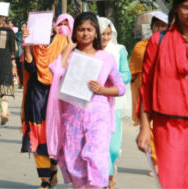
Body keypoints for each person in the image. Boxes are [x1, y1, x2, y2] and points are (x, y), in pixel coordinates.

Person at [47, 12, 125, 188]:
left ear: (96, 32)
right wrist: (67, 49)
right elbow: (56, 72)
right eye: (81, 30)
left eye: (89, 29)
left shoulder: (106, 58)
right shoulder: (70, 56)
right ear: (75, 33)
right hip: (72, 117)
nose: (85, 34)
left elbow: (120, 88)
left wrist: (102, 89)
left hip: (98, 116)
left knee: (97, 158)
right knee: (75, 163)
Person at [136, 0, 188, 189]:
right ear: (176, 7)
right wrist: (144, 127)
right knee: (174, 183)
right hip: (168, 128)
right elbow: (146, 87)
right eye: (186, 7)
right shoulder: (158, 41)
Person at [20, 22, 67, 189]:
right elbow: (31, 68)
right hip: (36, 96)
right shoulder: (33, 44)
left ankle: (53, 169)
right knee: (38, 136)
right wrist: (27, 45)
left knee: (54, 136)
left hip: (57, 96)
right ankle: (45, 180)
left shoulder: (62, 42)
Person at [129, 13, 168, 176]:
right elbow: (138, 71)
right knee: (150, 129)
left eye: (163, 25)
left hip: (166, 93)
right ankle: (156, 162)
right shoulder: (141, 47)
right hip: (146, 92)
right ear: (152, 28)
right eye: (157, 25)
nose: (160, 28)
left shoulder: (174, 45)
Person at [98, 16, 131, 189]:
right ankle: (105, 178)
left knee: (113, 148)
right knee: (99, 146)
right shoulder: (89, 51)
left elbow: (127, 74)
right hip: (95, 105)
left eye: (108, 34)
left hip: (114, 104)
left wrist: (112, 79)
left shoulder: (118, 50)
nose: (105, 37)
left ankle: (109, 172)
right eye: (102, 34)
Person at [15, 21, 27, 88]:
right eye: (22, 27)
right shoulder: (16, 35)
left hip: (25, 53)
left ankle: (24, 83)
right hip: (18, 53)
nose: (24, 28)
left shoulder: (28, 34)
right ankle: (21, 83)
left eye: (25, 27)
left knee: (24, 69)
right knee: (20, 69)